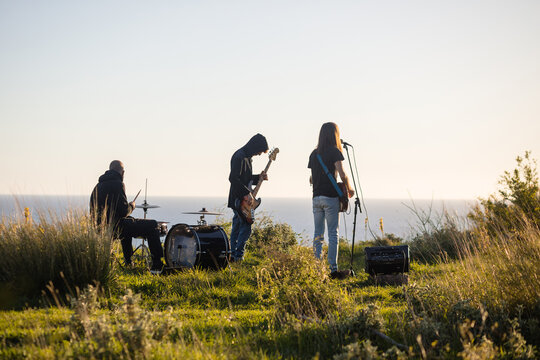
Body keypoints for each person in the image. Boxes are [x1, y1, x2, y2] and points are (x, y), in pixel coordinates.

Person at [90, 160, 165, 274]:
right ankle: (157, 265)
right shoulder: (118, 184)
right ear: (122, 173)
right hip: (116, 228)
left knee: (127, 223)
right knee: (153, 224)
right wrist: (132, 206)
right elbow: (124, 211)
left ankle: (129, 262)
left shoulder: (98, 186)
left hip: (101, 228)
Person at [308, 123, 354, 279]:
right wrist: (349, 188)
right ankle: (333, 270)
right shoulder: (335, 151)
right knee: (333, 233)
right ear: (335, 135)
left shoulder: (314, 154)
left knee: (318, 235)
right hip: (330, 197)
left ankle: (316, 269)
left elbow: (311, 179)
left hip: (316, 198)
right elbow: (342, 174)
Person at [227, 134, 269, 262]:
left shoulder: (246, 157)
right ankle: (238, 256)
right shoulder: (239, 156)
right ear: (255, 146)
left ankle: (232, 254)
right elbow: (233, 178)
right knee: (246, 226)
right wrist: (247, 193)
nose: (259, 154)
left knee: (238, 227)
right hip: (239, 199)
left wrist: (259, 178)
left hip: (241, 198)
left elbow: (246, 178)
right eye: (260, 151)